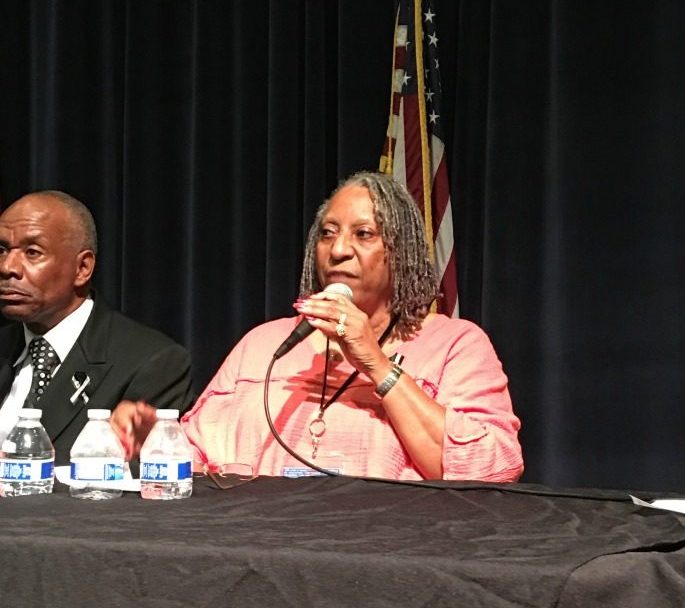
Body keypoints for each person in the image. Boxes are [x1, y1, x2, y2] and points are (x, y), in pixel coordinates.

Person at [113, 172, 523, 482]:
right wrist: (159, 439)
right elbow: (206, 461)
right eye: (328, 234)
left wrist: (378, 366)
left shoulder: (453, 345)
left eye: (364, 234)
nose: (339, 249)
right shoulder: (264, 343)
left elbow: (491, 468)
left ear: (402, 252)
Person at [0, 189, 195, 464]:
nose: (8, 267)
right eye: (2, 250)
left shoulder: (153, 362)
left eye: (32, 252)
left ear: (82, 268)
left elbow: (142, 481)